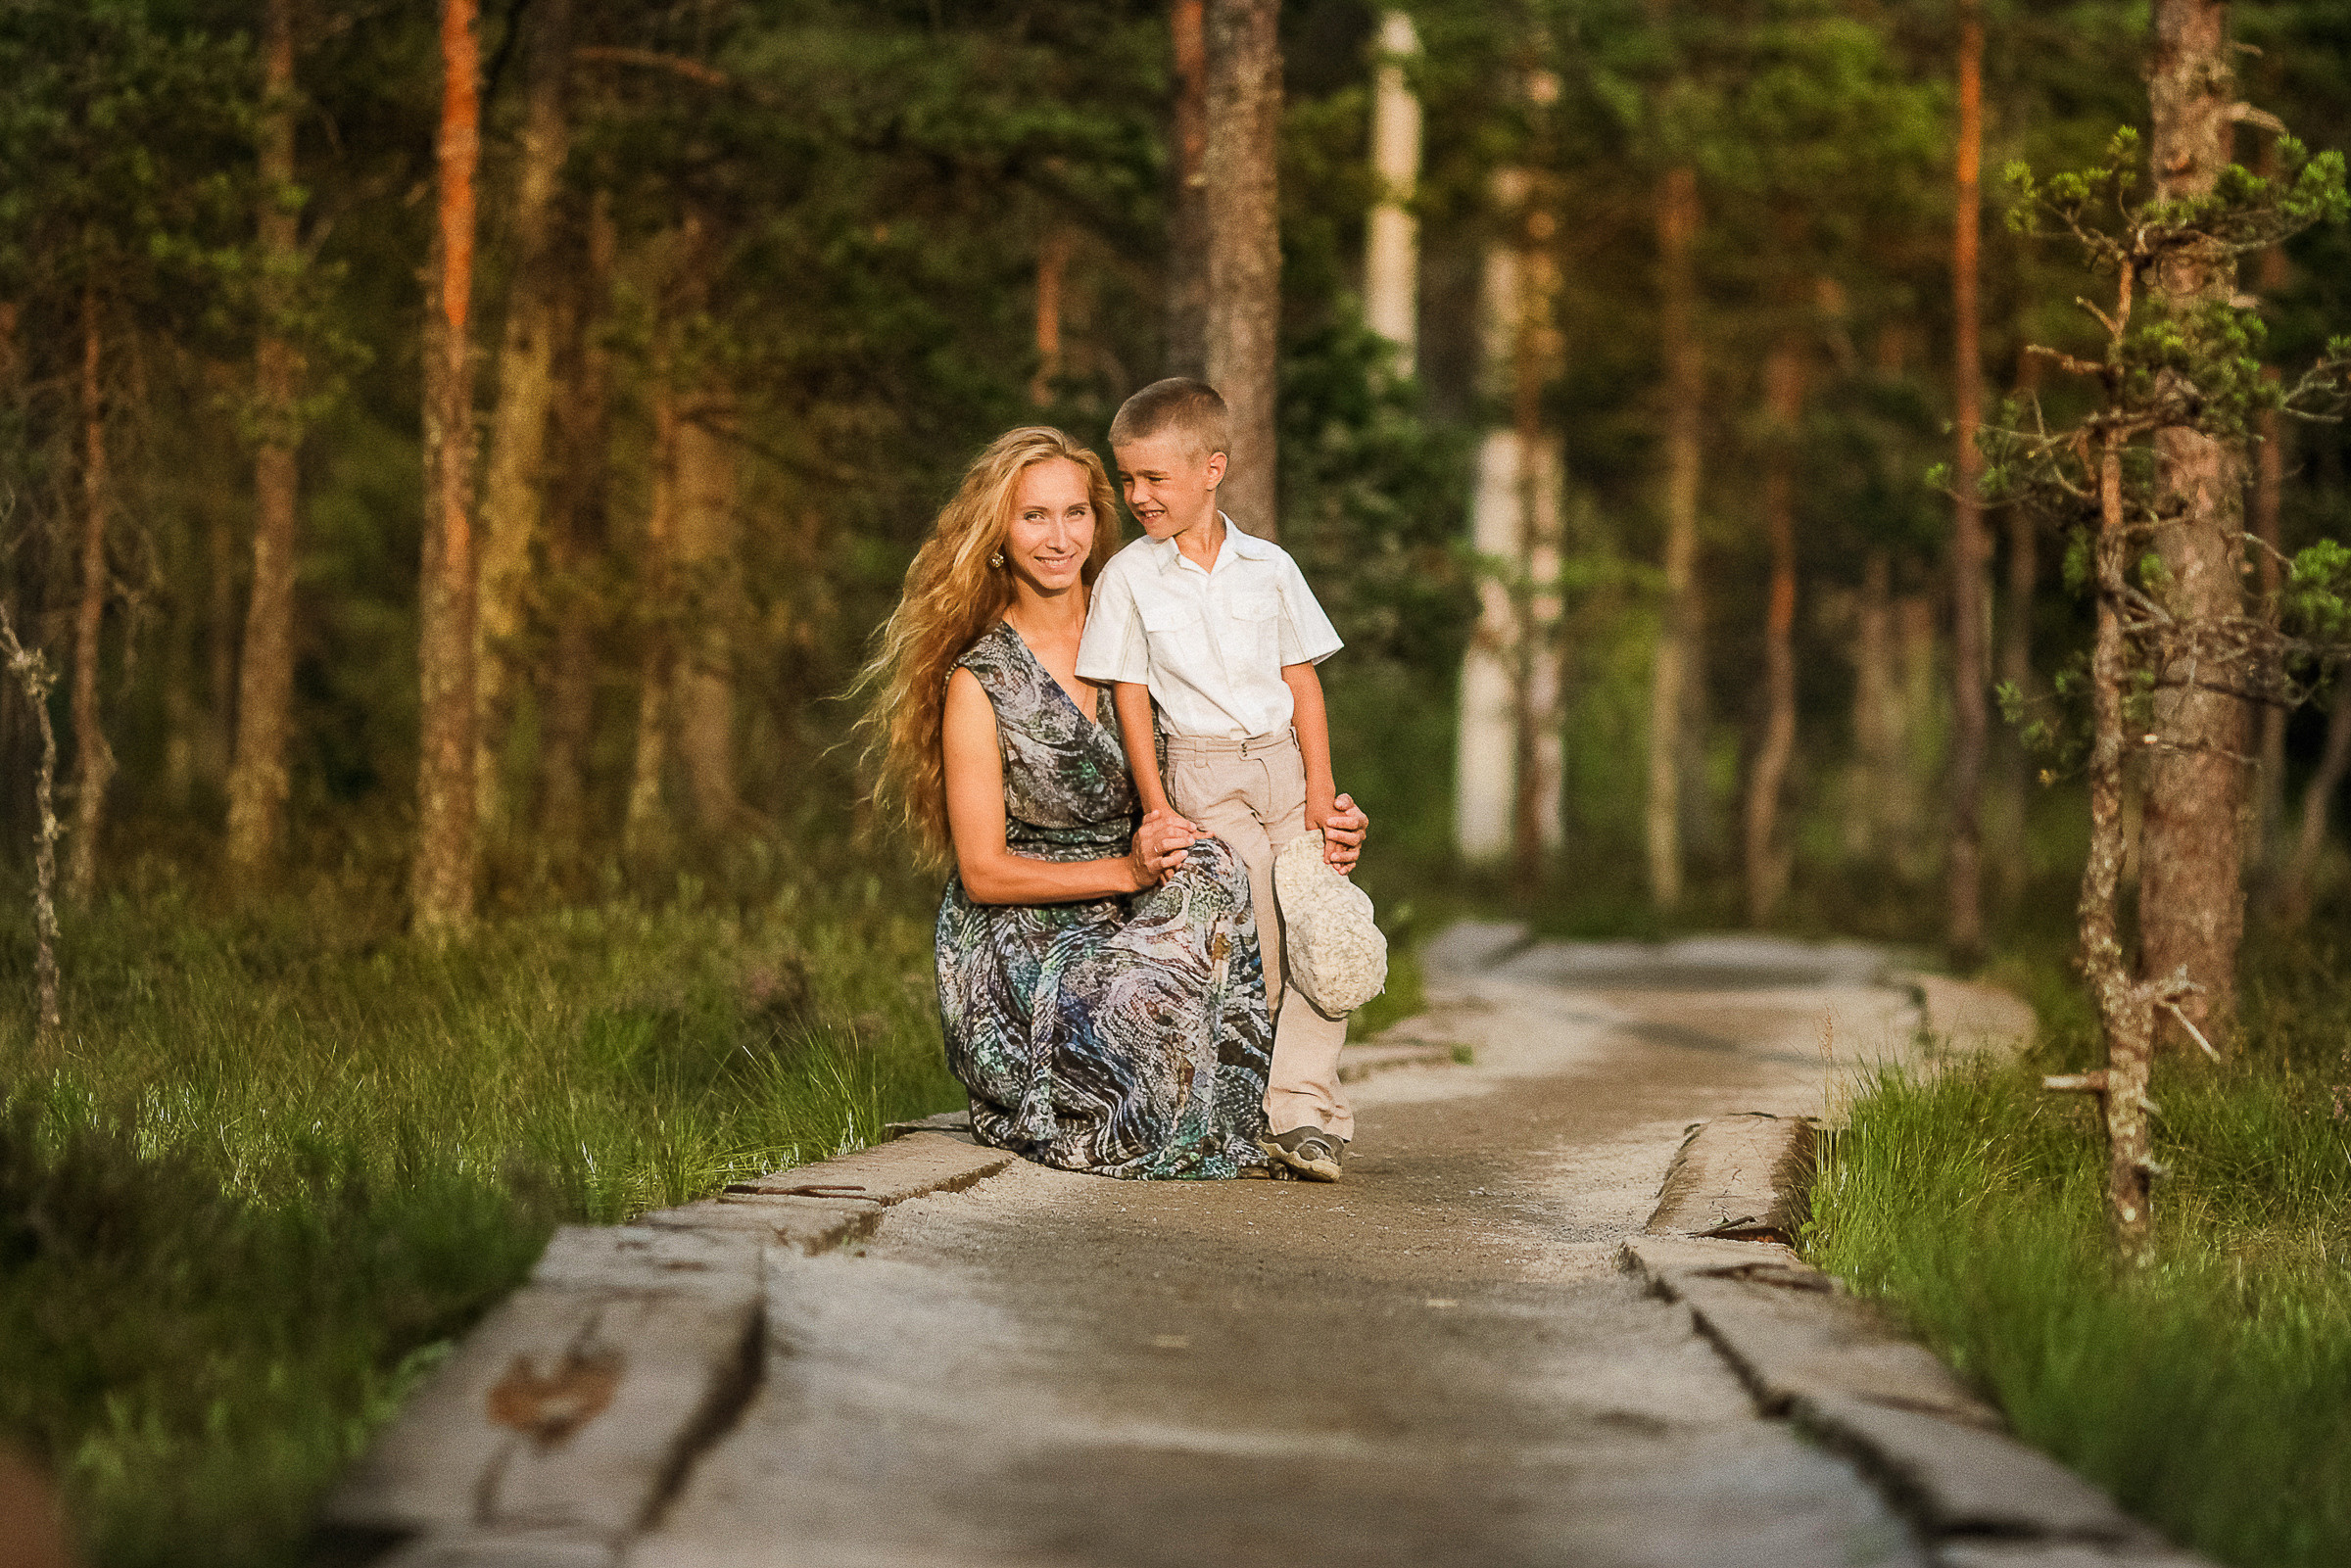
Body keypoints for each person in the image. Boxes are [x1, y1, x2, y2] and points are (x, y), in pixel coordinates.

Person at [859, 426, 1361, 1178]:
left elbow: (1263, 716)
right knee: (1142, 1004)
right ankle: (1168, 1095)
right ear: (997, 532)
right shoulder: (982, 681)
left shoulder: (1147, 614)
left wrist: (1325, 813)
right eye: (1034, 516)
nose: (1059, 538)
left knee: (1247, 878)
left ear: (1099, 524)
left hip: (1151, 903)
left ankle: (1285, 1106)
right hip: (1028, 940)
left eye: (1075, 514)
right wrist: (1125, 872)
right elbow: (985, 874)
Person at [1075, 379, 1365, 1183]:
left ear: (1213, 469)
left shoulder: (1268, 568)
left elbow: (1302, 682)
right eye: (1127, 480)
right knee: (1264, 921)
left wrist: (1321, 788)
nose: (1136, 496)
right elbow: (1128, 696)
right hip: (1202, 770)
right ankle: (1269, 1108)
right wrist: (1158, 802)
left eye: (1153, 479)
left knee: (1322, 920)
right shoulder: (1129, 579)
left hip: (1283, 760)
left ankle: (1308, 1109)